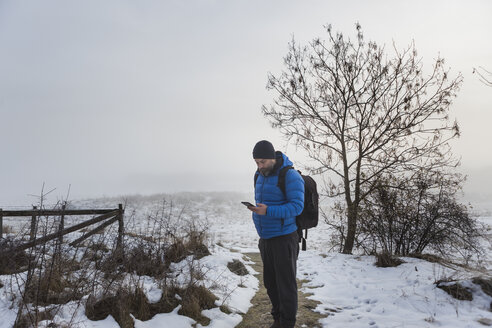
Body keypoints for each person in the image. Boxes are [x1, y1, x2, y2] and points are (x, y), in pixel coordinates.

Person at [247, 140, 305, 328]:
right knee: (270, 283)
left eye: (262, 161)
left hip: (285, 237)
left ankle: (287, 323)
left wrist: (268, 211)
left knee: (285, 285)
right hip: (266, 238)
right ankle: (278, 318)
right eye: (256, 162)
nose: (259, 166)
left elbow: (297, 207)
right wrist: (257, 211)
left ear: (272, 158)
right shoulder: (259, 175)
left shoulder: (290, 176)